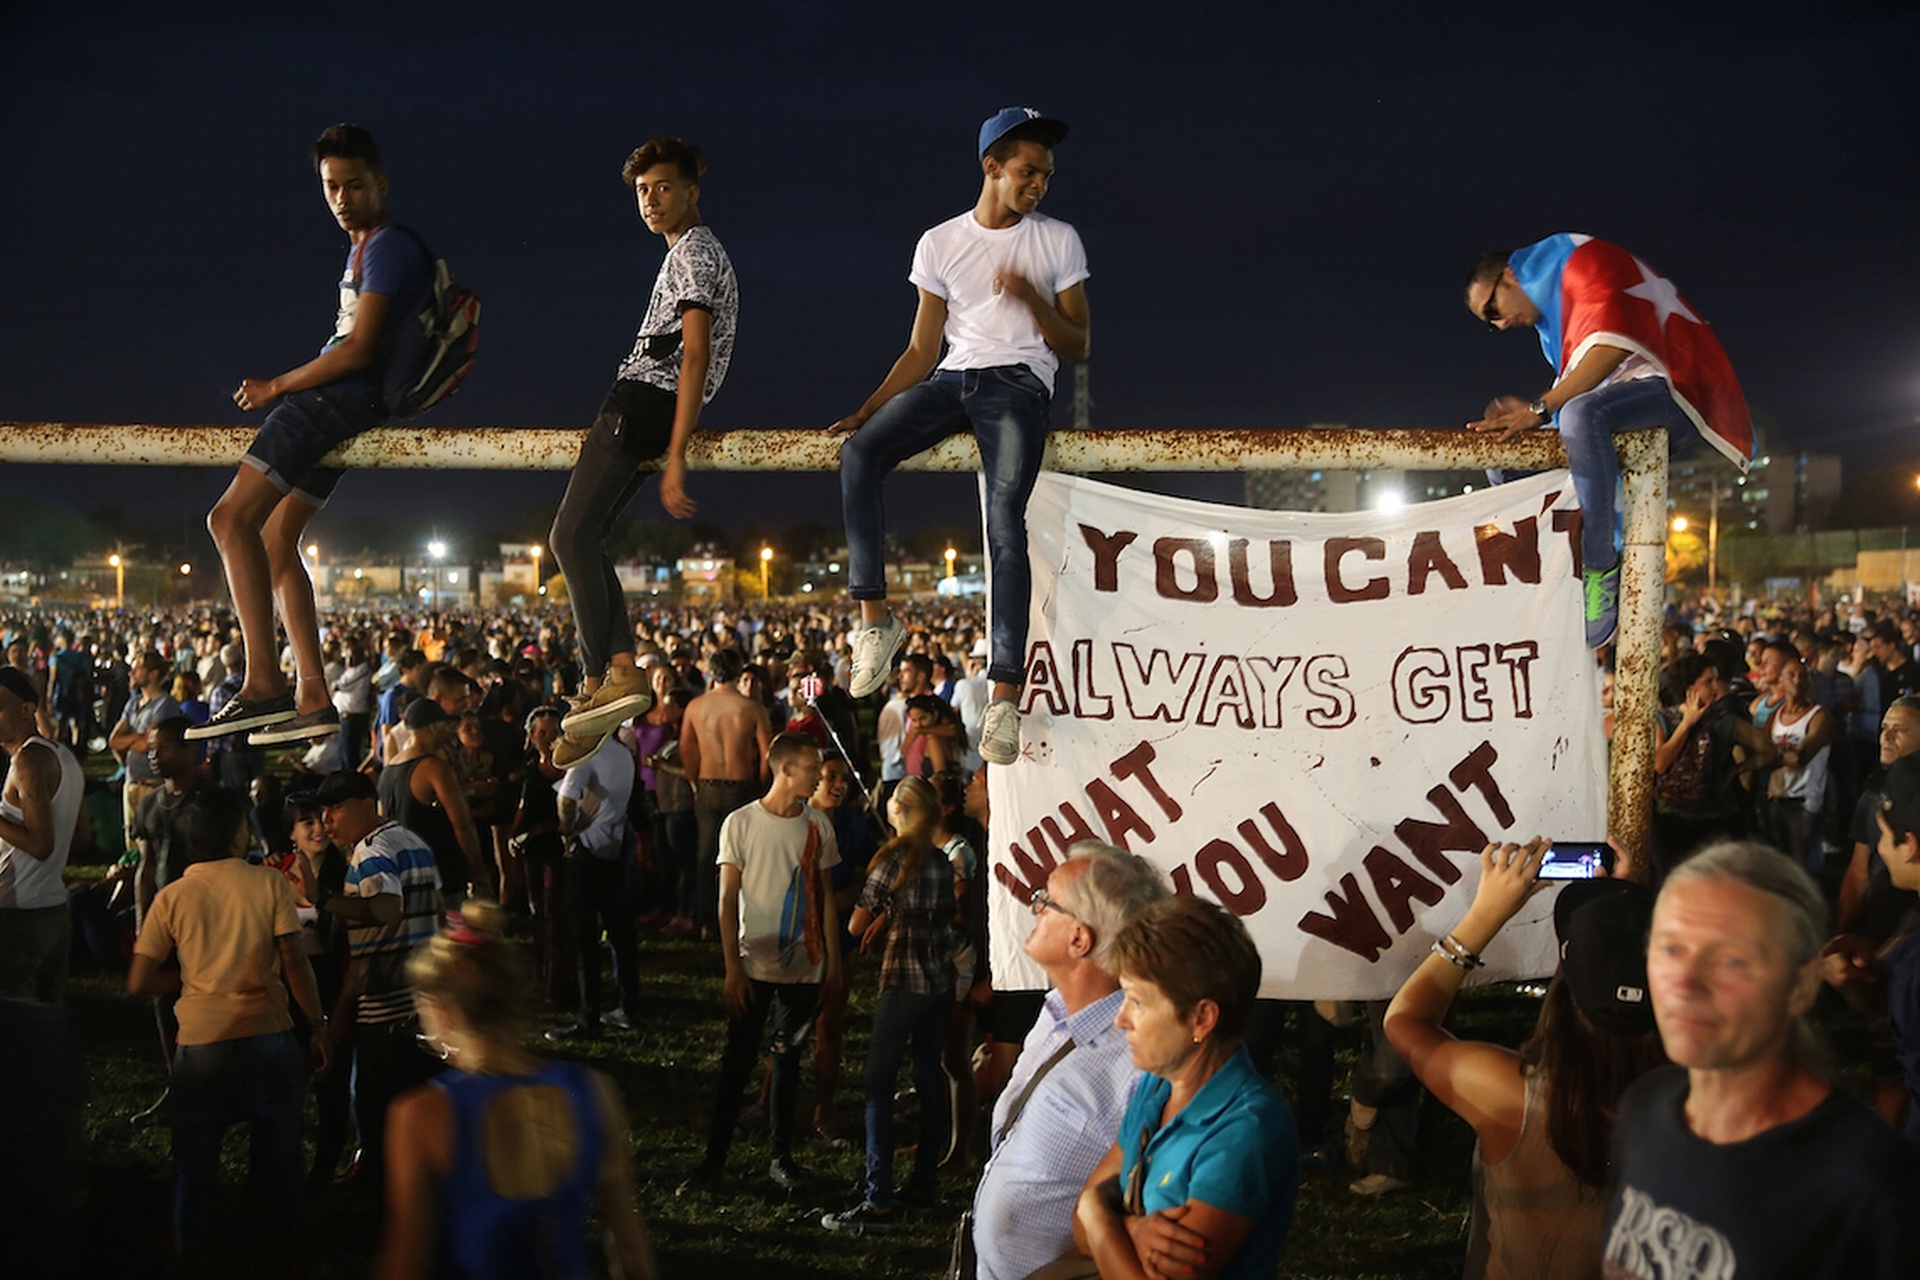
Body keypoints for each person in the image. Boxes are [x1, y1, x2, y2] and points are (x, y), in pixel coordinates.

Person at [831, 107, 1090, 766]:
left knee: (1004, 520)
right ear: (991, 167)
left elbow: (1078, 343)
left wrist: (1031, 299)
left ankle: (1005, 694)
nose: (1040, 186)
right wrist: (867, 409)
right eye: (1029, 172)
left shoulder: (1058, 240)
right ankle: (874, 622)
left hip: (1019, 386)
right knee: (860, 455)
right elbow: (920, 350)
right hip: (952, 380)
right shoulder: (939, 242)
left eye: (1047, 176)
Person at [194, 124, 434, 746]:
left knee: (228, 522)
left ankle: (261, 684)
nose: (342, 197)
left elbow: (356, 350)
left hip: (331, 402)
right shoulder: (367, 248)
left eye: (355, 184)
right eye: (331, 186)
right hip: (348, 406)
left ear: (381, 183)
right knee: (275, 539)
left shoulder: (385, 246)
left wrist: (277, 386)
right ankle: (311, 693)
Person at [1601, 841, 1920, 1278]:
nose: (1685, 983)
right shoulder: (1645, 1107)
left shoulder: (1871, 1184)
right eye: (1670, 948)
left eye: (1731, 959)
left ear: (1802, 984)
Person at [1384, 841, 1666, 1280]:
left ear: (1563, 990)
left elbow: (1405, 1021)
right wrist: (1626, 920)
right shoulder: (1707, 1108)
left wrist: (1486, 913)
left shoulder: (1509, 1094)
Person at [1464, 235, 1753, 647]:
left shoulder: (1585, 262)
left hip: (1675, 392)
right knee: (1503, 455)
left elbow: (1612, 347)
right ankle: (1546, 570)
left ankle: (1600, 565)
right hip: (1618, 399)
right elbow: (1581, 379)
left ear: (1510, 275)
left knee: (1582, 414)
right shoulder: (1553, 316)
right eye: (1488, 323)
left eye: (1492, 310)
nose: (1498, 324)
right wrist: (1537, 413)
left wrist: (1541, 409)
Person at [552, 136, 737, 763]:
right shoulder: (690, 253)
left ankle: (596, 682)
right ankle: (618, 672)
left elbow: (694, 352)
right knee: (587, 537)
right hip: (649, 402)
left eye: (663, 187)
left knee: (567, 537)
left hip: (642, 401)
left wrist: (678, 452)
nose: (651, 200)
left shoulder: (694, 254)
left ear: (692, 191)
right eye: (641, 191)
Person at [372, 901, 657, 1280]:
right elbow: (629, 1247)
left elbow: (404, 1264)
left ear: (440, 1010)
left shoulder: (423, 1115)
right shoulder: (591, 1090)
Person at [126, 785, 329, 1267]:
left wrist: (192, 977)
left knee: (194, 1166)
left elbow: (138, 979)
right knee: (281, 1157)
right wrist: (317, 1024)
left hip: (201, 1045)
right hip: (268, 1036)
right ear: (238, 834)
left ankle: (189, 1247)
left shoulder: (172, 896)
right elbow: (294, 962)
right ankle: (285, 1248)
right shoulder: (267, 884)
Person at [969, 841, 1170, 1280]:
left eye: (1046, 902)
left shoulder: (1138, 1064)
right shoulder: (1055, 1012)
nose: (1034, 906)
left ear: (1080, 938)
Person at [1071, 895, 1299, 1280]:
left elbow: (1087, 1214)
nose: (1120, 1019)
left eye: (1138, 1002)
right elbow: (1079, 1232)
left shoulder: (1246, 1131)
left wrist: (1098, 1211)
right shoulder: (1156, 1088)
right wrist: (1129, 1228)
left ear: (1201, 1018)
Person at [681, 733, 840, 1193]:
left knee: (787, 1061)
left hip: (804, 967)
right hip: (753, 966)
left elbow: (826, 898)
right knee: (738, 1061)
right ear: (785, 769)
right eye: (812, 768)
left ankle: (781, 1157)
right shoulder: (741, 823)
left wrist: (830, 962)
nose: (818, 776)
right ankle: (714, 1160)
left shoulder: (818, 827)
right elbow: (727, 898)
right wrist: (732, 965)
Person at [823, 776, 957, 1233]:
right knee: (928, 1082)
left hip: (902, 980)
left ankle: (877, 1198)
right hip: (939, 981)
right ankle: (923, 1187)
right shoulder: (941, 860)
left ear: (900, 809)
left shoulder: (893, 859)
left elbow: (857, 924)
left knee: (878, 1087)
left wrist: (877, 911)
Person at [314, 768, 444, 1195]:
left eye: (336, 808)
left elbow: (386, 910)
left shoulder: (370, 853)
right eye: (322, 811)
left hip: (384, 1004)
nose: (327, 820)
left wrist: (327, 902)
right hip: (421, 998)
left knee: (376, 1106)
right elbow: (436, 913)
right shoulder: (412, 841)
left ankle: (381, 1187)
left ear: (368, 806)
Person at [1650, 649, 1776, 880]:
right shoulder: (1663, 720)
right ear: (1690, 688)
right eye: (1708, 682)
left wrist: (1733, 772)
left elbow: (1769, 751)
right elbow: (1660, 763)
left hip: (1713, 821)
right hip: (1672, 823)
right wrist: (1687, 724)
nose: (1716, 687)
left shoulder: (1725, 722)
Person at [0, 667, 85, 1002]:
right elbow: (82, 836)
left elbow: (40, 845)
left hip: (21, 913)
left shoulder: (28, 762)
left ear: (27, 710)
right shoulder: (65, 758)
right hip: (54, 909)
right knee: (48, 1020)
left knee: (14, 1019)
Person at [549, 728, 639, 1040]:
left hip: (586, 851)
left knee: (585, 939)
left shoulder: (588, 755)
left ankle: (590, 1017)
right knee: (620, 933)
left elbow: (566, 796)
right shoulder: (624, 754)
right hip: (612, 850)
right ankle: (629, 1007)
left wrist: (567, 830)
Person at [682, 648, 771, 936]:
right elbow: (768, 752)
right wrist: (760, 782)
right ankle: (744, 916)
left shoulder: (695, 706)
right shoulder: (751, 708)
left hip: (708, 785)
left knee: (706, 856)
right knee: (744, 857)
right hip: (741, 786)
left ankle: (707, 920)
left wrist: (696, 782)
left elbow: (687, 749)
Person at [378, 698, 493, 903]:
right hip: (440, 873)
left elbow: (381, 821)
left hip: (403, 874)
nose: (450, 732)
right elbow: (462, 824)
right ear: (433, 727)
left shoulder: (387, 772)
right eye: (446, 726)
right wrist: (479, 870)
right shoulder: (435, 768)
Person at [1760, 651, 1834, 870]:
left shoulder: (1818, 716)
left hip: (1804, 802)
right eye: (1791, 675)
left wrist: (1772, 756)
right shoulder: (1776, 716)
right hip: (1777, 797)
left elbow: (1800, 757)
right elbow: (1763, 752)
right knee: (1780, 863)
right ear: (1781, 680)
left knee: (1802, 865)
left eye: (1802, 676)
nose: (1797, 681)